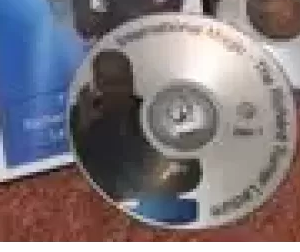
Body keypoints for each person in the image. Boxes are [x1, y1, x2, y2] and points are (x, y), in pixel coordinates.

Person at [70, 49, 202, 204]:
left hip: (154, 203)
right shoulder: (80, 118)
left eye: (122, 81)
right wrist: (84, 128)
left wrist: (159, 183)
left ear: (131, 80)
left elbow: (191, 172)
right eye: (109, 83)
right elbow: (75, 176)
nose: (117, 90)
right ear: (96, 83)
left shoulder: (154, 115)